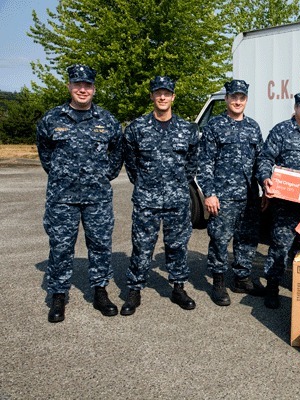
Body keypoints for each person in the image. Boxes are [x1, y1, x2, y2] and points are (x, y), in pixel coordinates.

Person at [36, 64, 123, 323]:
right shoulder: (52, 119)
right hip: (62, 198)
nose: (82, 90)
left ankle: (100, 292)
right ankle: (58, 296)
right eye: (77, 85)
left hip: (97, 197)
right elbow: (45, 154)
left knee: (100, 245)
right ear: (69, 87)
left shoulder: (107, 120)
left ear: (94, 89)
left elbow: (117, 152)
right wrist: (61, 175)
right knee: (61, 247)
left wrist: (104, 174)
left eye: (87, 86)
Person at [120, 76, 199, 316]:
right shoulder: (137, 128)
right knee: (142, 246)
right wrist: (145, 183)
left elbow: (192, 163)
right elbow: (131, 163)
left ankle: (178, 287)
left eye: (167, 93)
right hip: (146, 199)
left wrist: (177, 185)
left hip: (177, 199)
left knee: (177, 245)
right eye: (158, 93)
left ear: (173, 97)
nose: (162, 97)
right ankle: (134, 290)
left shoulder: (188, 129)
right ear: (152, 96)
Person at [198, 79, 264, 306]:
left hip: (249, 196)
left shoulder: (253, 127)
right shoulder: (214, 126)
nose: (237, 101)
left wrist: (266, 189)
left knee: (247, 239)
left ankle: (242, 278)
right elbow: (205, 162)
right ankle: (218, 282)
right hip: (222, 196)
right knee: (219, 239)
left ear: (246, 100)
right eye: (233, 97)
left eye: (242, 98)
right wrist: (209, 193)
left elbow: (260, 162)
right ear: (226, 99)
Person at [257, 91, 300, 309]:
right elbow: (266, 158)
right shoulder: (281, 131)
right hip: (285, 203)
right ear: (295, 108)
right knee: (280, 246)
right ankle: (272, 287)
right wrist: (265, 178)